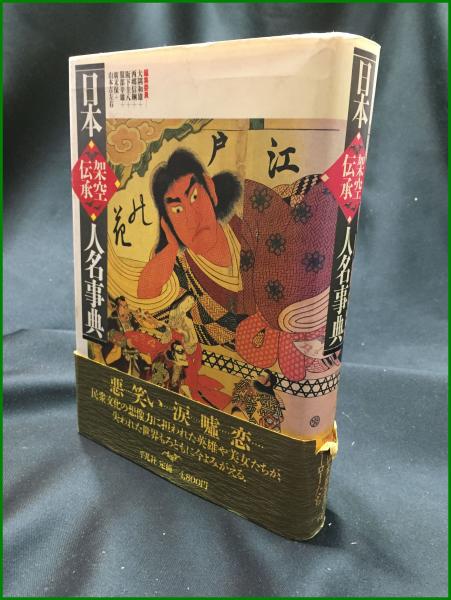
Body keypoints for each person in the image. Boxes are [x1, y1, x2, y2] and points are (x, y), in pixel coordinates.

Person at [137, 149, 244, 348]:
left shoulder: (244, 228)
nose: (192, 218)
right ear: (167, 222)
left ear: (210, 189)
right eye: (177, 209)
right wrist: (170, 249)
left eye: (194, 196)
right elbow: (145, 306)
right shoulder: (180, 271)